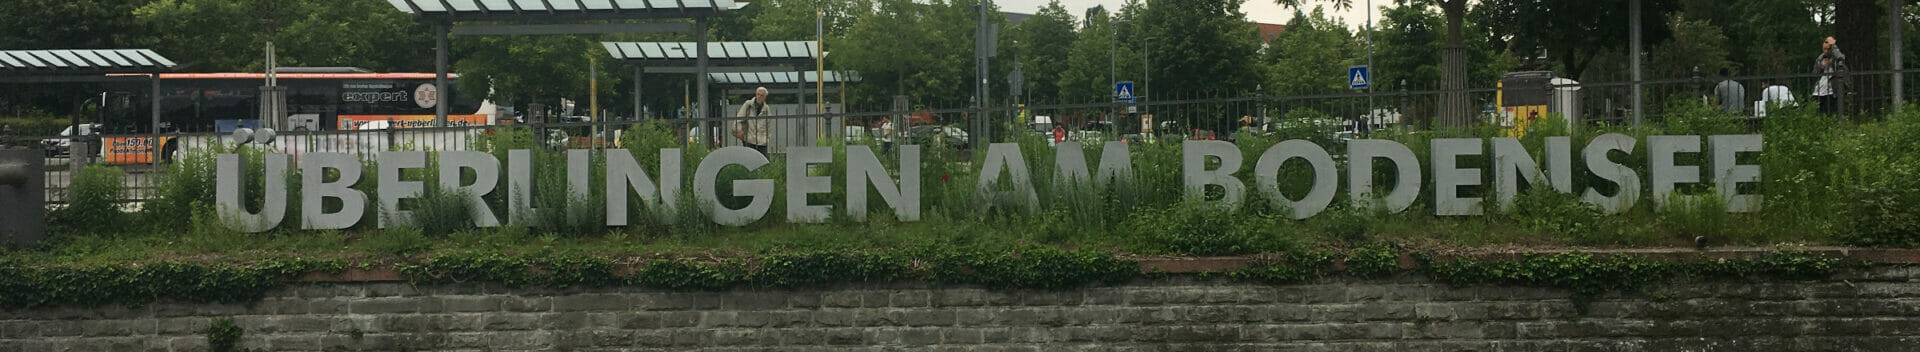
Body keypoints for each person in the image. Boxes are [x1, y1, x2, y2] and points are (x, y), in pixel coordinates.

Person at [733, 87, 772, 156]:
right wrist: (738, 130)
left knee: (763, 159)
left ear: (765, 97)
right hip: (749, 137)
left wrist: (767, 137)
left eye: (761, 95)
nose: (759, 97)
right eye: (758, 94)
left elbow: (768, 124)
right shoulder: (748, 105)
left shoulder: (766, 108)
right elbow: (739, 117)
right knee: (749, 158)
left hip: (762, 139)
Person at [1813, 36, 1845, 116]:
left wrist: (1834, 45)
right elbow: (1814, 75)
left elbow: (1841, 57)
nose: (1827, 48)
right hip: (1818, 92)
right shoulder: (1820, 58)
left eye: (1829, 46)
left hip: (1831, 93)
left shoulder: (1836, 58)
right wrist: (1821, 67)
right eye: (1825, 42)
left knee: (1830, 115)